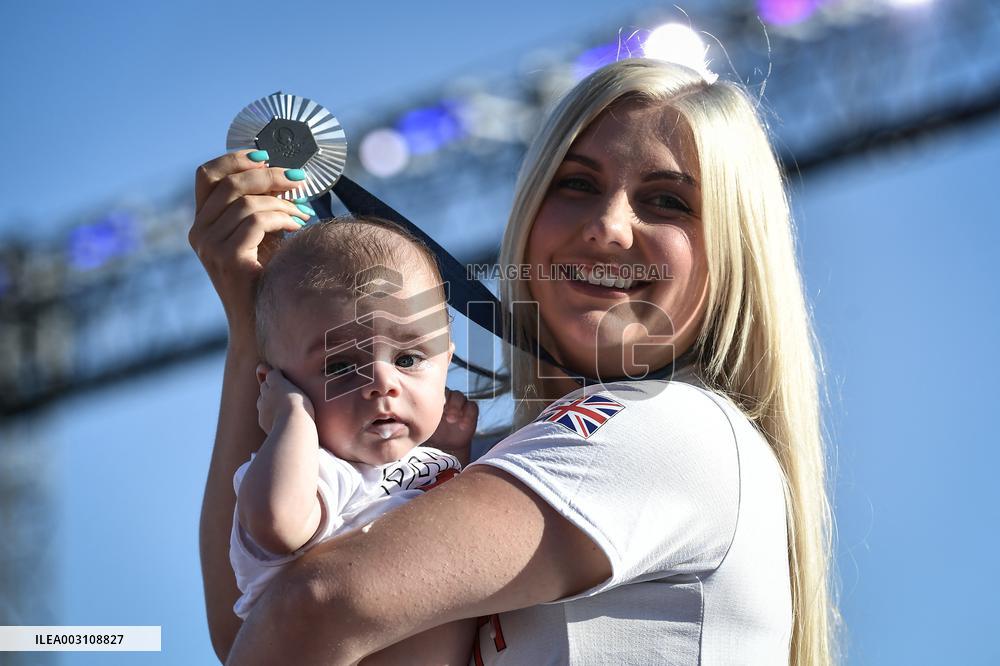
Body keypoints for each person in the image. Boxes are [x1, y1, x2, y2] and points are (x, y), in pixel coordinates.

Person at [190, 58, 839, 665]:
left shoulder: (670, 427)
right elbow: (250, 618)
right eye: (578, 183)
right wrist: (259, 324)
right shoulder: (478, 459)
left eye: (666, 200)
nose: (609, 226)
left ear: (733, 255)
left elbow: (314, 605)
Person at [227, 216, 479, 662]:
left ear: (446, 360)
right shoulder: (319, 471)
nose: (383, 382)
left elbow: (426, 503)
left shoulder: (412, 461)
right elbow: (277, 524)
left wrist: (449, 452)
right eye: (340, 366)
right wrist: (292, 419)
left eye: (408, 358)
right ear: (276, 384)